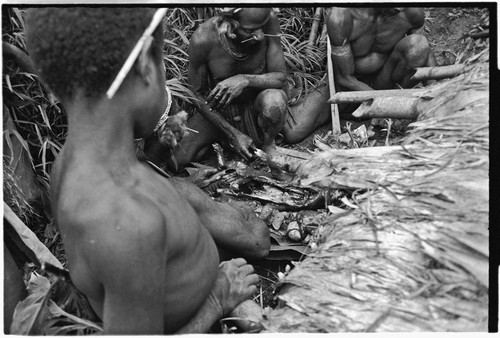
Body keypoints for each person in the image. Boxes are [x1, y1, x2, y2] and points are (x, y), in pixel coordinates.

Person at [25, 7, 270, 334]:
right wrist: (215, 300)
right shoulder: (129, 222)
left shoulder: (68, 164)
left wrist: (156, 155)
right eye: (162, 61)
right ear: (144, 66)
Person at [169, 7, 290, 172]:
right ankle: (223, 144)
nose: (260, 36)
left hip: (257, 102)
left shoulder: (269, 18)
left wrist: (244, 79)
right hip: (221, 108)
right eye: (250, 30)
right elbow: (196, 94)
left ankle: (268, 142)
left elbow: (281, 77)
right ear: (228, 25)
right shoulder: (203, 38)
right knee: (178, 160)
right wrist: (232, 133)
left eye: (262, 27)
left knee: (274, 102)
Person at [327, 7, 437, 113]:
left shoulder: (411, 12)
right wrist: (384, 103)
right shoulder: (342, 16)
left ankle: (394, 106)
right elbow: (344, 78)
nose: (399, 8)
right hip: (349, 87)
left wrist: (437, 95)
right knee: (312, 114)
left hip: (386, 81)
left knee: (418, 44)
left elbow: (423, 51)